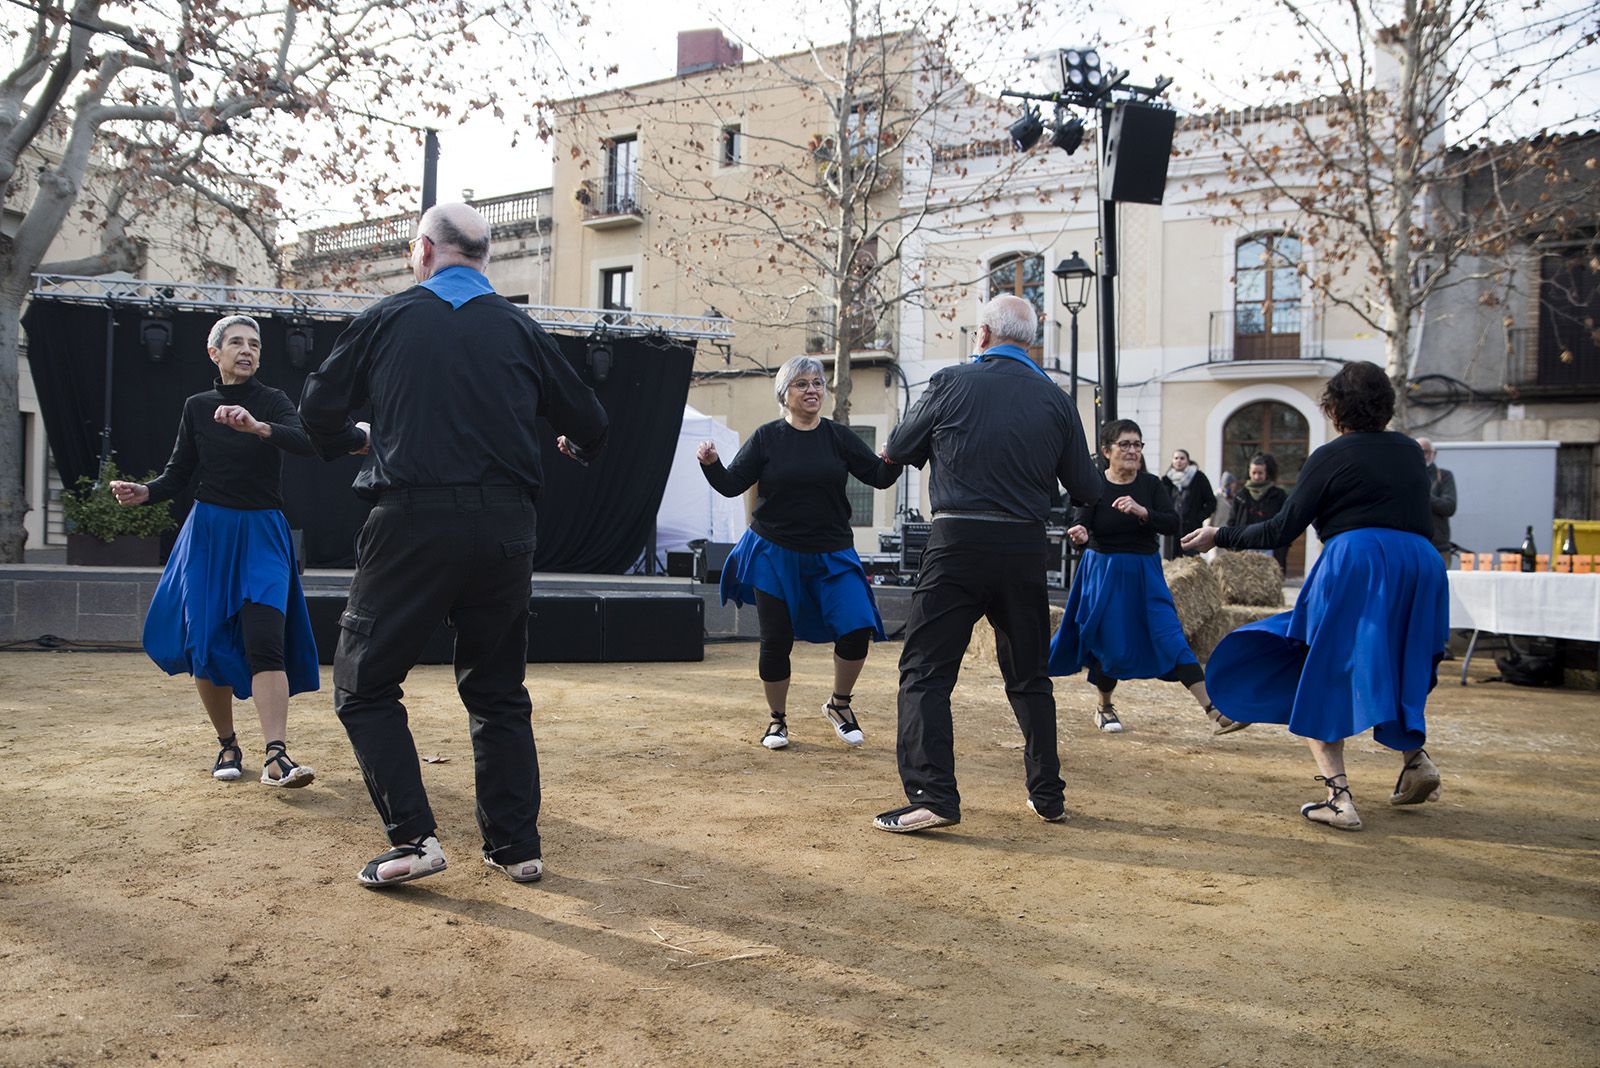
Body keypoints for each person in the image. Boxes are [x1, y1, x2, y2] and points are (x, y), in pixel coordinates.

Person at [298, 202, 608, 888]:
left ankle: (413, 839)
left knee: (363, 685)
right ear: (484, 256)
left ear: (423, 250)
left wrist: (352, 439)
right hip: (506, 526)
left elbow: (316, 410)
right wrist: (576, 446)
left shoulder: (388, 318)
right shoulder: (522, 328)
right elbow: (591, 421)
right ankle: (515, 846)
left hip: (411, 521)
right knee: (498, 690)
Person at [1182, 362, 1448, 832]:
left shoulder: (1330, 455)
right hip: (1421, 565)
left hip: (1359, 561)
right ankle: (1415, 760)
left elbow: (1281, 529)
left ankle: (1339, 799)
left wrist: (1218, 534)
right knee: (1396, 662)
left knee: (1317, 666)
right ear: (1385, 406)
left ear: (1335, 408)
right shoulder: (1410, 451)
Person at [872, 294, 1102, 834]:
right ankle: (1048, 795)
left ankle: (933, 795)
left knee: (925, 671)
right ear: (1030, 342)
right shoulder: (1056, 400)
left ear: (981, 335)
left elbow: (899, 447)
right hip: (1024, 547)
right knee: (1030, 676)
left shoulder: (951, 381)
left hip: (956, 540)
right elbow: (1087, 487)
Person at [111, 314, 320, 788]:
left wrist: (258, 427)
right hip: (209, 534)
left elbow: (306, 441)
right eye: (237, 343)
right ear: (215, 353)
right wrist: (146, 492)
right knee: (205, 643)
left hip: (262, 531)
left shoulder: (273, 401)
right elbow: (178, 472)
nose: (247, 350)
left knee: (265, 638)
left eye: (255, 344)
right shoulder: (197, 406)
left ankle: (276, 755)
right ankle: (227, 743)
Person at [697, 356, 901, 750]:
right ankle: (777, 720)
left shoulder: (838, 437)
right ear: (784, 394)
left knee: (857, 627)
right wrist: (711, 463)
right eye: (802, 384)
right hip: (774, 552)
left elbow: (878, 476)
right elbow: (731, 484)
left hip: (832, 552)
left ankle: (839, 705)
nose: (812, 390)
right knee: (776, 640)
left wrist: (893, 456)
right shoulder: (767, 438)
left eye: (817, 383)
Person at [1048, 420, 1245, 736]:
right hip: (1105, 573)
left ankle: (1215, 712)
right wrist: (1080, 534)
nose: (1132, 450)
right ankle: (1104, 707)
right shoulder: (1092, 485)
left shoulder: (1151, 485)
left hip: (1145, 572)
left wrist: (1143, 512)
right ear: (1106, 451)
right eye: (1124, 444)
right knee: (1110, 643)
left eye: (1137, 444)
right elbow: (1081, 525)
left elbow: (1171, 524)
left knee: (1171, 636)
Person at [1227, 452, 1290, 571]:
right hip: (1245, 549)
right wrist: (1232, 545)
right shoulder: (1241, 496)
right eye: (1254, 473)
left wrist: (1283, 547)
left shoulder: (1279, 496)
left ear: (1266, 473)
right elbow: (1232, 523)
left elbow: (1286, 522)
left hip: (1270, 549)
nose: (1256, 477)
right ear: (1249, 472)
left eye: (1260, 473)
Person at [1162, 448, 1217, 560]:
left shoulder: (1199, 478)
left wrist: (1198, 518)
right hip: (1171, 530)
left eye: (1182, 458)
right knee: (1171, 562)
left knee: (1190, 562)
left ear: (1188, 461)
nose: (1179, 461)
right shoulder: (1166, 480)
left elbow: (1211, 502)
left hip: (1191, 529)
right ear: (1172, 461)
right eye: (1176, 458)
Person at [1415, 437, 1457, 567]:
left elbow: (1449, 507)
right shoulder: (1405, 476)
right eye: (1418, 451)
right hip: (1413, 545)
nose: (1422, 455)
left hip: (1438, 548)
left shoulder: (1444, 476)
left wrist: (1422, 495)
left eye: (1426, 451)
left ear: (1434, 454)